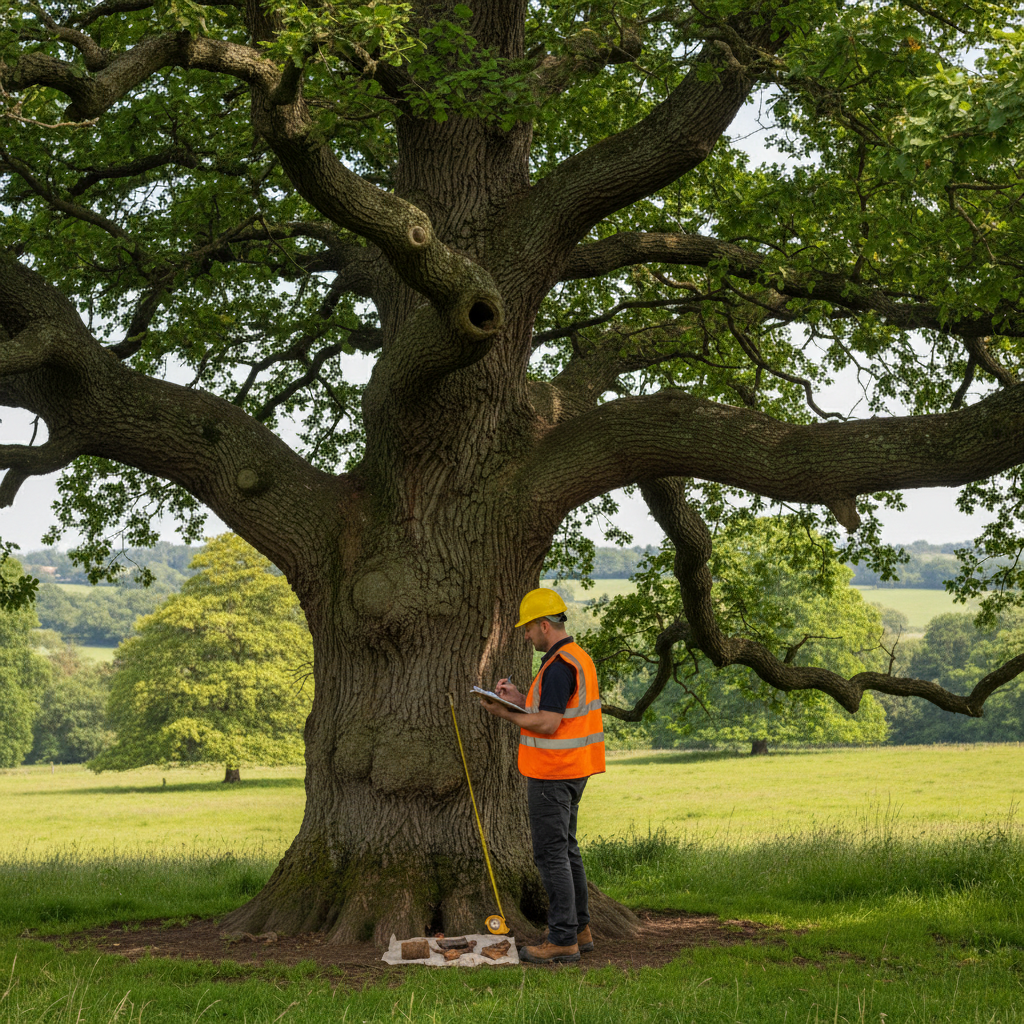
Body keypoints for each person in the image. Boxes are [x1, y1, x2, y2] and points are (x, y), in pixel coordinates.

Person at [479, 587, 605, 964]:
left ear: (545, 625)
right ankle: (579, 929)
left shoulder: (559, 665)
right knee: (567, 850)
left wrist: (504, 714)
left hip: (553, 773)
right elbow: (553, 711)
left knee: (551, 855)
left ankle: (563, 939)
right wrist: (517, 699)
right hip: (573, 769)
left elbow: (548, 724)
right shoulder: (573, 658)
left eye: (529, 628)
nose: (525, 635)